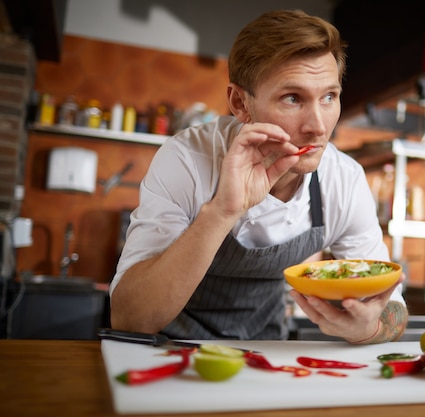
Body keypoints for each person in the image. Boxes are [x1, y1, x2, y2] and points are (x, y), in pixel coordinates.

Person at [109, 9, 408, 344]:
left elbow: (392, 305)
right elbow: (128, 318)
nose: (319, 127)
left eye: (328, 97)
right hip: (165, 353)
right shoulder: (189, 160)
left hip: (264, 352)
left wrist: (372, 328)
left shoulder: (344, 180)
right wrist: (222, 211)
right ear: (240, 103)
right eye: (293, 98)